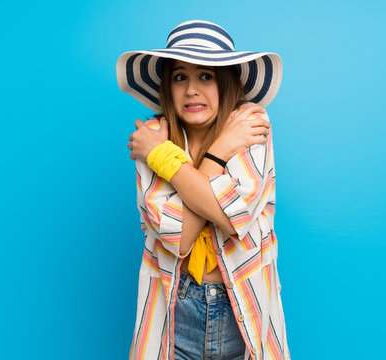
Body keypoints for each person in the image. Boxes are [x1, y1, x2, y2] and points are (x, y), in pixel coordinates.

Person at [116, 20, 290, 360]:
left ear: (226, 83)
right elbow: (179, 239)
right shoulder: (153, 138)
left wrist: (165, 159)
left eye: (206, 76)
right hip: (174, 310)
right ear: (167, 86)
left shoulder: (249, 125)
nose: (192, 89)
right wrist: (216, 153)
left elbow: (232, 216)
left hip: (241, 305)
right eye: (180, 77)